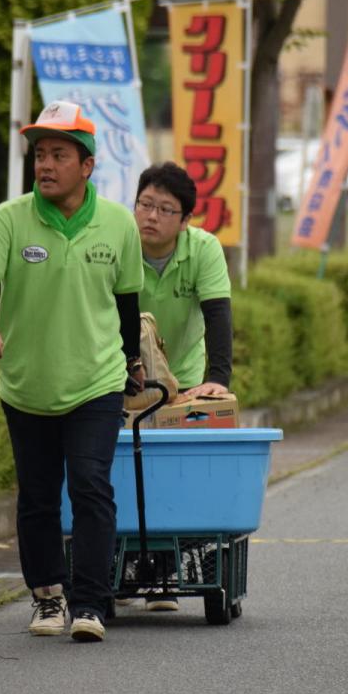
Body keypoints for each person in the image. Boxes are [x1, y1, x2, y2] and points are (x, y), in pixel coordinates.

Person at [0, 101, 144, 643]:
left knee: (90, 486)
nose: (46, 164)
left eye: (59, 154)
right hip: (26, 385)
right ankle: (47, 596)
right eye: (40, 153)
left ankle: (90, 602)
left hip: (96, 381)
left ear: (86, 166)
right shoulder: (8, 220)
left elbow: (127, 305)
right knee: (38, 496)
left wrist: (131, 364)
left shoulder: (117, 225)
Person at [133, 162, 233, 612]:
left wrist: (216, 380)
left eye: (165, 209)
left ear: (185, 219)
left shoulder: (204, 249)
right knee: (129, 472)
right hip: (126, 373)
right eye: (145, 204)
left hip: (186, 376)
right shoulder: (116, 243)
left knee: (174, 474)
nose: (151, 216)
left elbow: (218, 314)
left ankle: (167, 576)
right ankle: (131, 569)